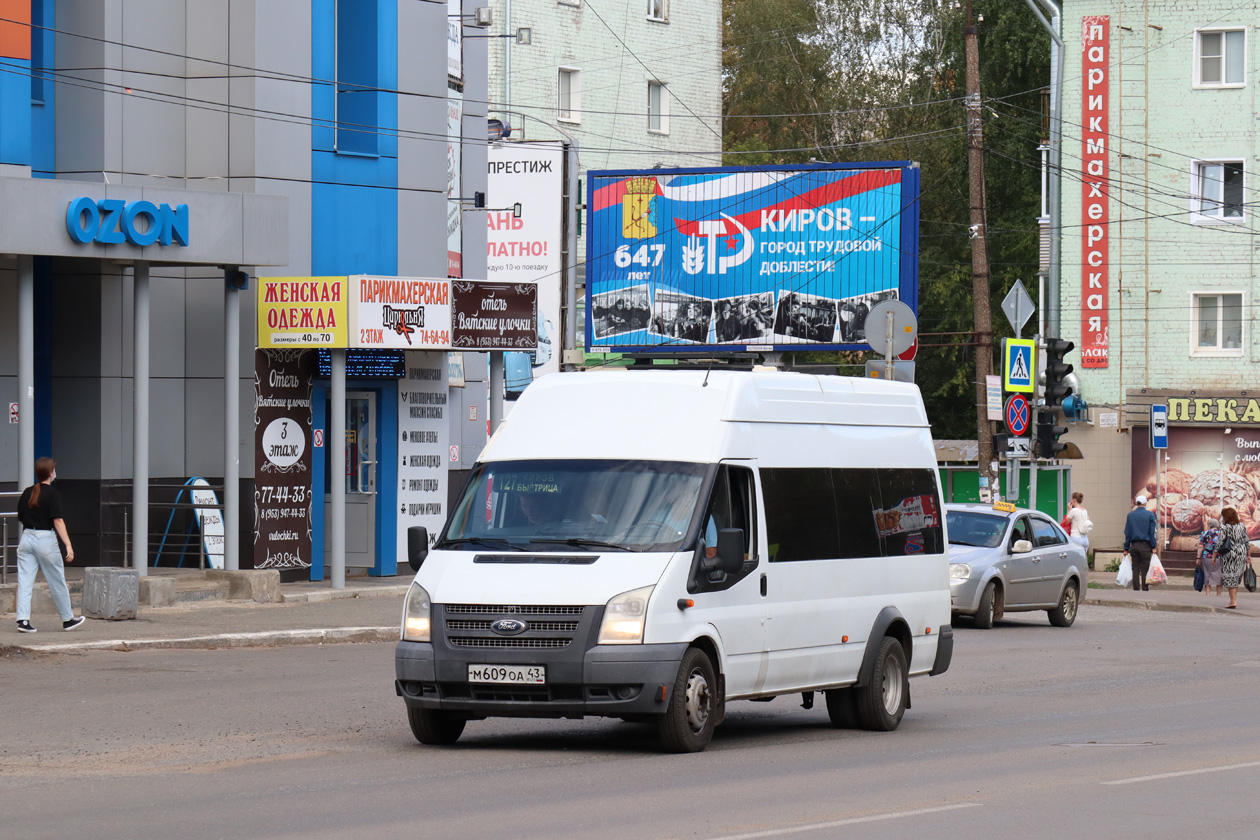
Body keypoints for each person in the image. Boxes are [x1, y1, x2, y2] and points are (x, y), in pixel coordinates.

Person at [15, 457, 86, 633]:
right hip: (45, 539)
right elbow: (58, 521)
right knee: (57, 581)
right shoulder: (53, 494)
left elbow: (21, 517)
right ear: (51, 473)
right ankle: (67, 619)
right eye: (54, 470)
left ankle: (23, 621)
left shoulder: (27, 492)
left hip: (26, 538)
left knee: (24, 582)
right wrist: (68, 545)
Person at [1123, 493, 1157, 592]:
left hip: (1134, 545)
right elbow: (1152, 532)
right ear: (1145, 503)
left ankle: (1136, 588)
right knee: (1145, 567)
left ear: (1136, 503)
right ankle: (1145, 587)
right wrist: (1153, 546)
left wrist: (1126, 548)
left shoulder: (1130, 515)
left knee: (1135, 567)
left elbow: (1127, 532)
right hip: (1145, 545)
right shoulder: (1150, 514)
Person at [1218, 506, 1249, 609]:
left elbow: (1219, 542)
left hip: (1229, 555)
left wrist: (1214, 555)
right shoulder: (1242, 526)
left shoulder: (1224, 527)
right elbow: (1247, 542)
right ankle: (1233, 600)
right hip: (1241, 554)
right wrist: (1248, 555)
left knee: (1230, 577)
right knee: (1235, 578)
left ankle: (1233, 601)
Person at [1198, 517, 1224, 597]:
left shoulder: (1204, 533)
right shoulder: (1221, 534)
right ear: (1218, 525)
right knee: (1219, 575)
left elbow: (1200, 546)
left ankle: (1208, 594)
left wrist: (1198, 557)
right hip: (1219, 557)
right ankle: (1218, 595)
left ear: (1209, 525)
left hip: (1207, 557)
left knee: (1207, 574)